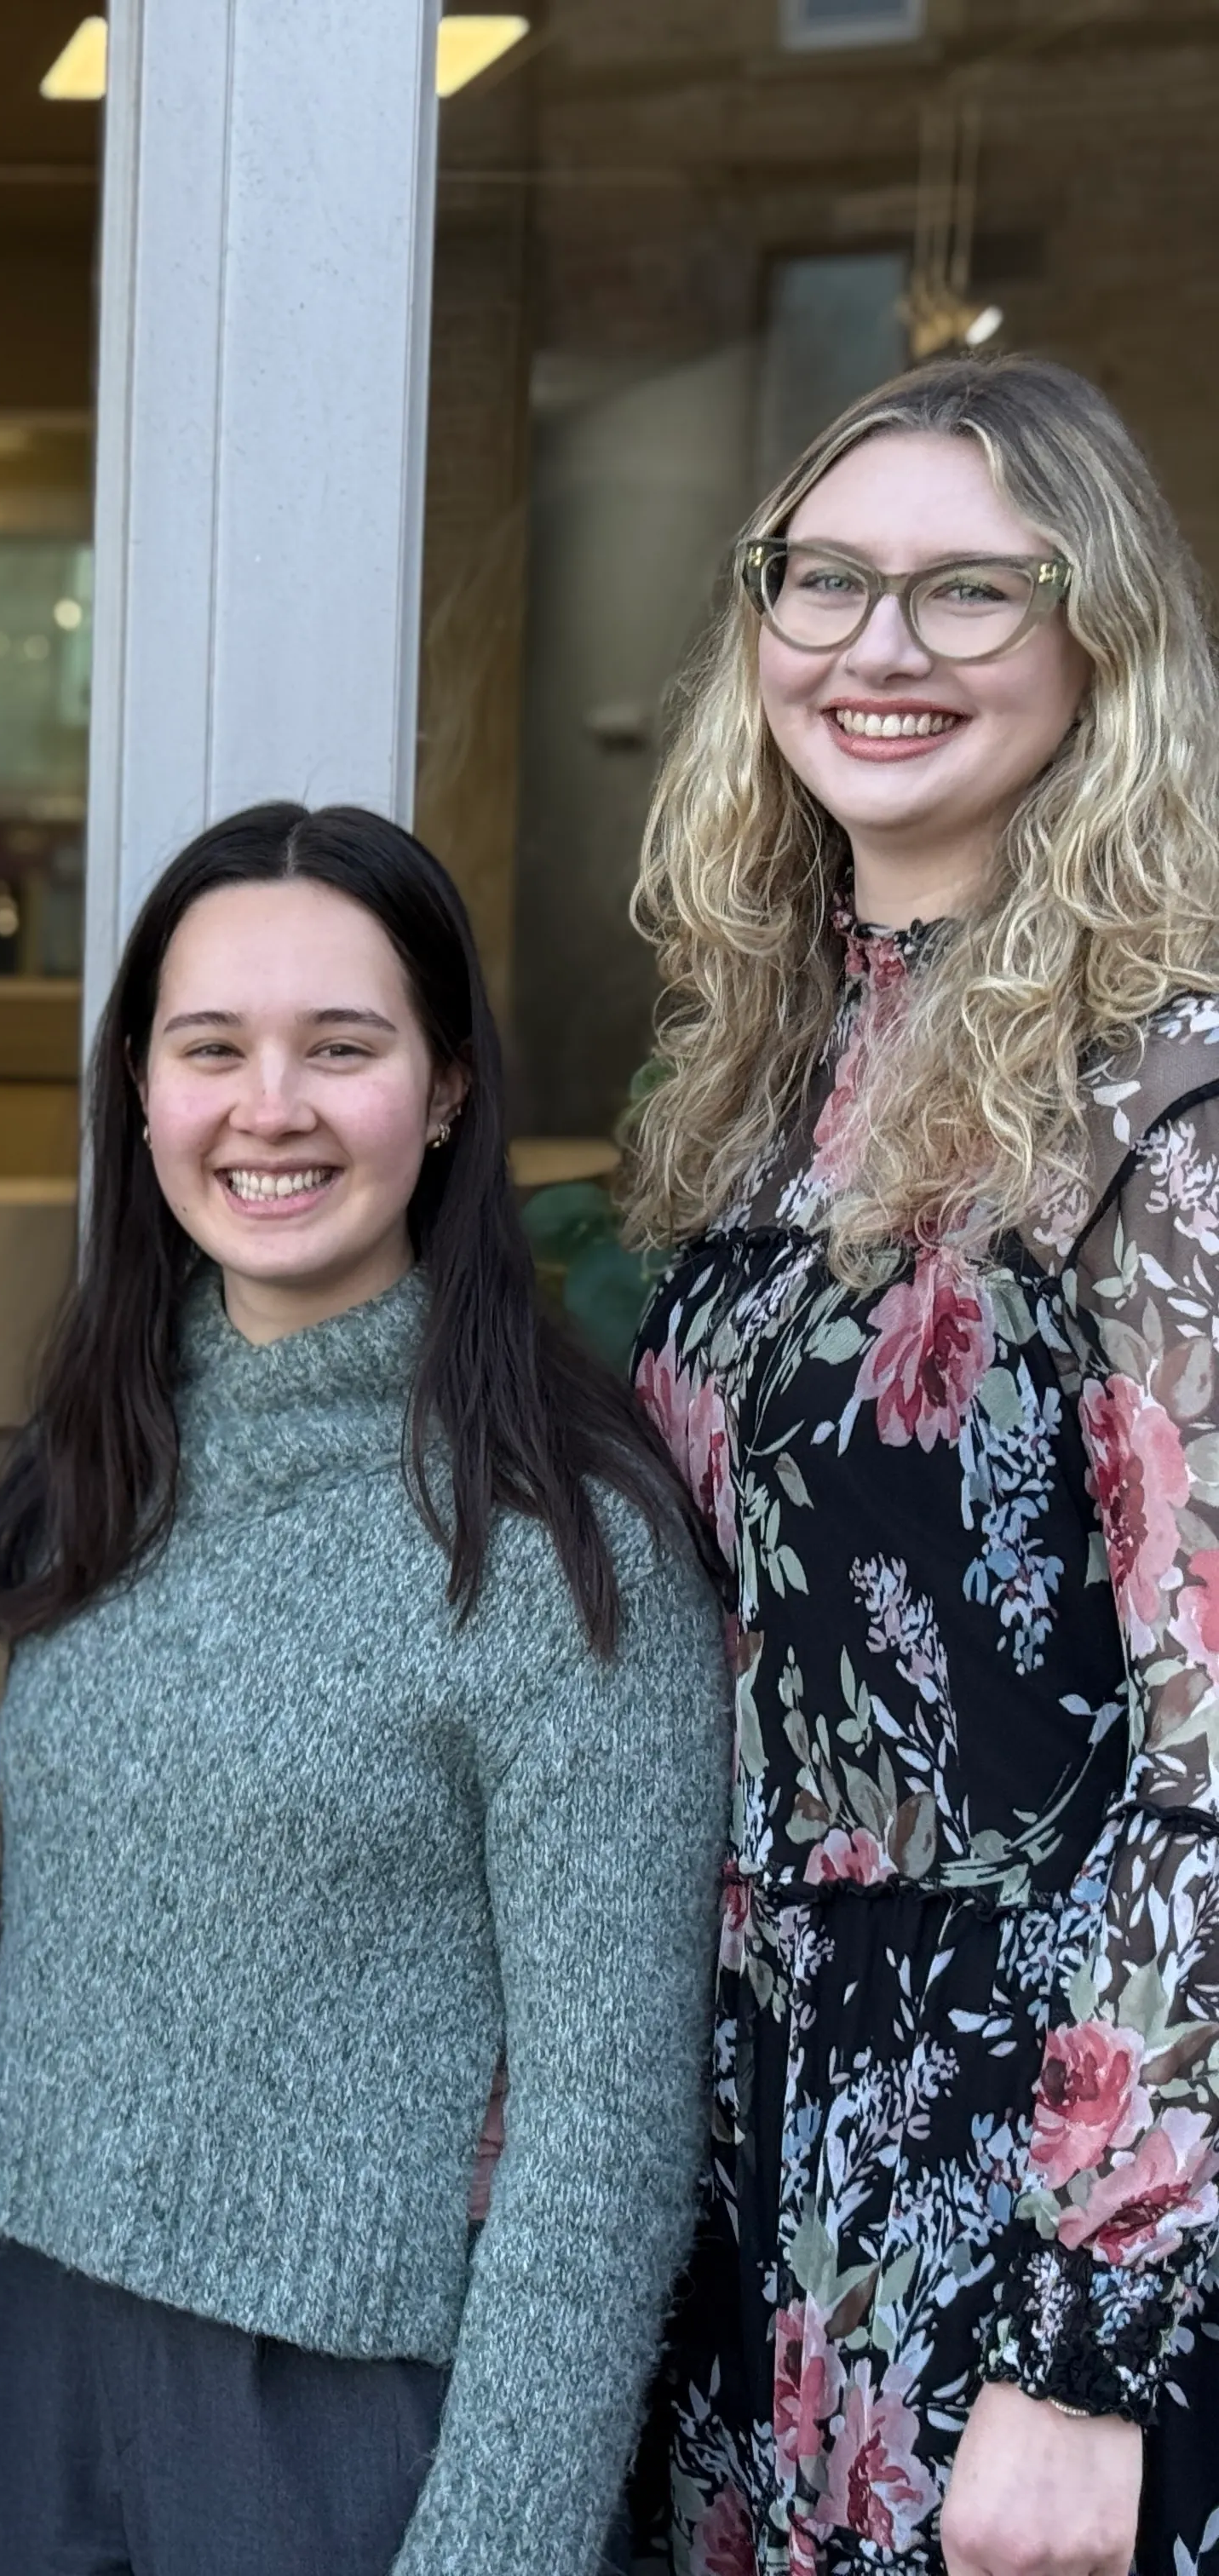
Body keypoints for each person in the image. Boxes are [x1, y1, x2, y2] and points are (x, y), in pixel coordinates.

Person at [0, 803, 726, 2574]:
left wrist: (498, 2544)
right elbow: (65, 1941)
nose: (270, 1107)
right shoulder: (110, 1460)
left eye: (342, 1048)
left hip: (339, 2422)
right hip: (36, 2358)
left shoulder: (562, 1540)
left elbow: (607, 2129)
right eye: (212, 1050)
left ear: (449, 1091)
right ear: (139, 1088)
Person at [624, 355, 1219, 2576]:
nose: (881, 648)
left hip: (1020, 2195)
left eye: (971, 593)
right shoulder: (777, 1055)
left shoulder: (1166, 1098)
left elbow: (1211, 1770)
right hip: (757, 2145)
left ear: (1102, 643)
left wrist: (1087, 2348)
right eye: (830, 583)